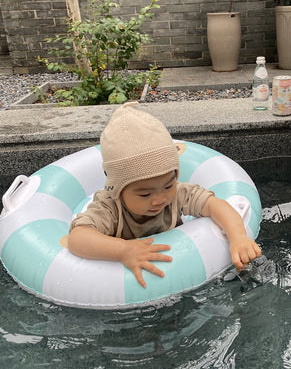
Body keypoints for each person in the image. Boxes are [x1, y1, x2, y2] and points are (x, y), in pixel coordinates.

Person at [68, 102, 261, 288]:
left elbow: (214, 205)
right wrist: (123, 251)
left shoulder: (177, 193)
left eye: (168, 186)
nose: (160, 199)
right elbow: (78, 238)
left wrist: (238, 237)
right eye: (145, 194)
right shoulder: (109, 207)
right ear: (117, 189)